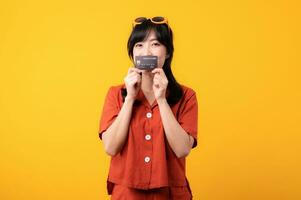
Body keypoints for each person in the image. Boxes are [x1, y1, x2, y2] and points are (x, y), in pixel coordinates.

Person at [98, 16, 198, 200]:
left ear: (167, 52)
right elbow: (110, 147)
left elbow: (183, 149)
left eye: (155, 44)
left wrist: (162, 100)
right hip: (127, 194)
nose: (146, 51)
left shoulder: (187, 96)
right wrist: (129, 99)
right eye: (139, 45)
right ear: (132, 53)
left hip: (170, 194)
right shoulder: (115, 94)